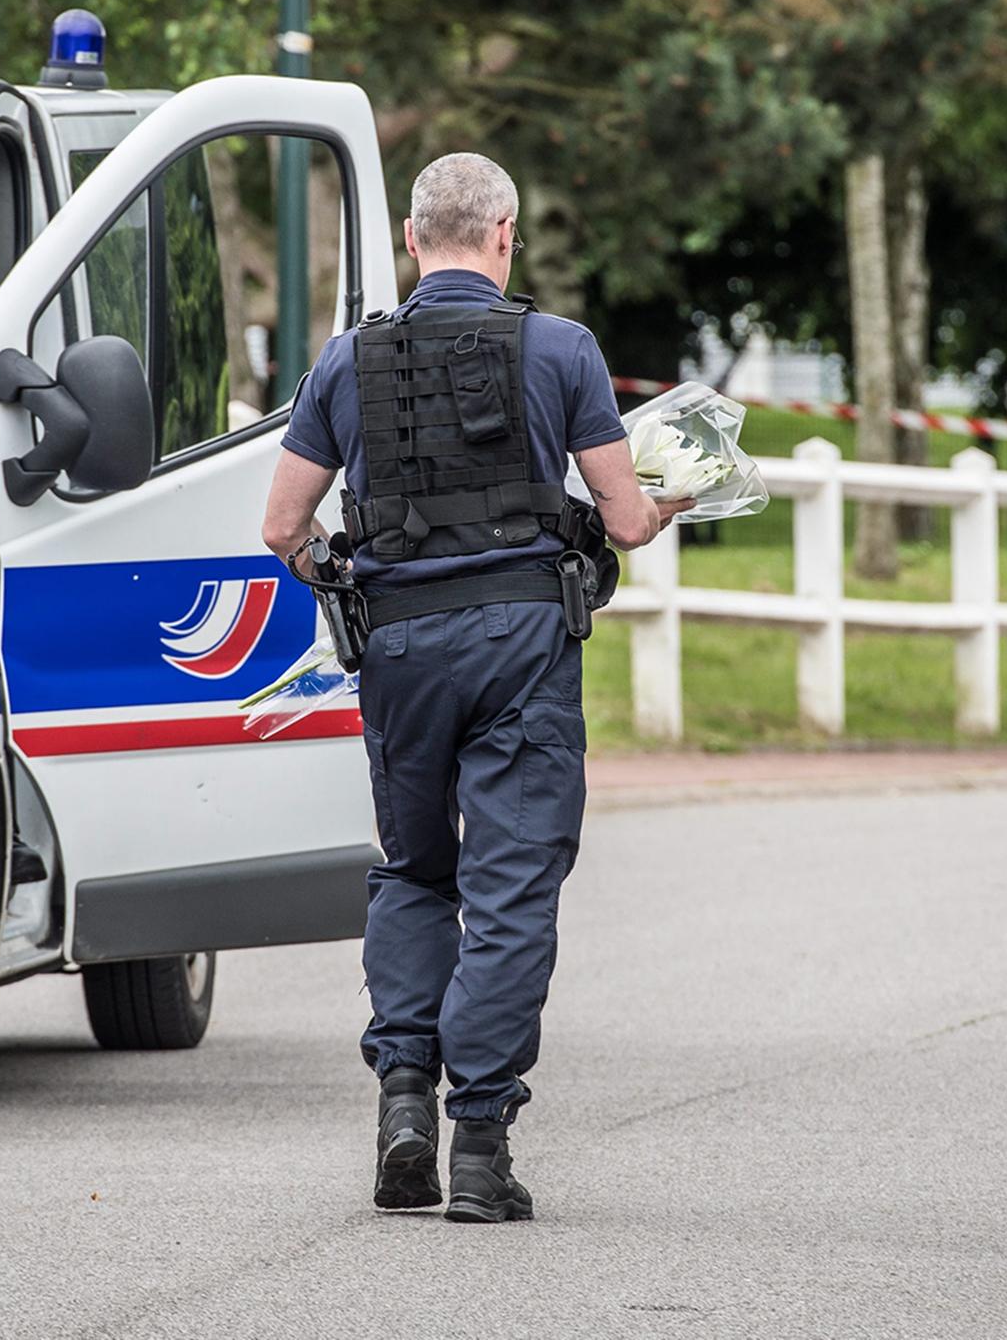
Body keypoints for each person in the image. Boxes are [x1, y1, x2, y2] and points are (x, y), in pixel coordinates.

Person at [261, 152, 691, 1223]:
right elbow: (626, 519)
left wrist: (341, 576)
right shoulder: (560, 349)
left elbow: (279, 527)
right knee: (509, 890)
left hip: (397, 647)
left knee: (413, 870)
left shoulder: (343, 361)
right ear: (505, 234)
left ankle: (403, 1102)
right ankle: (481, 1150)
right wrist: (671, 499)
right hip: (521, 645)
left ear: (412, 241)